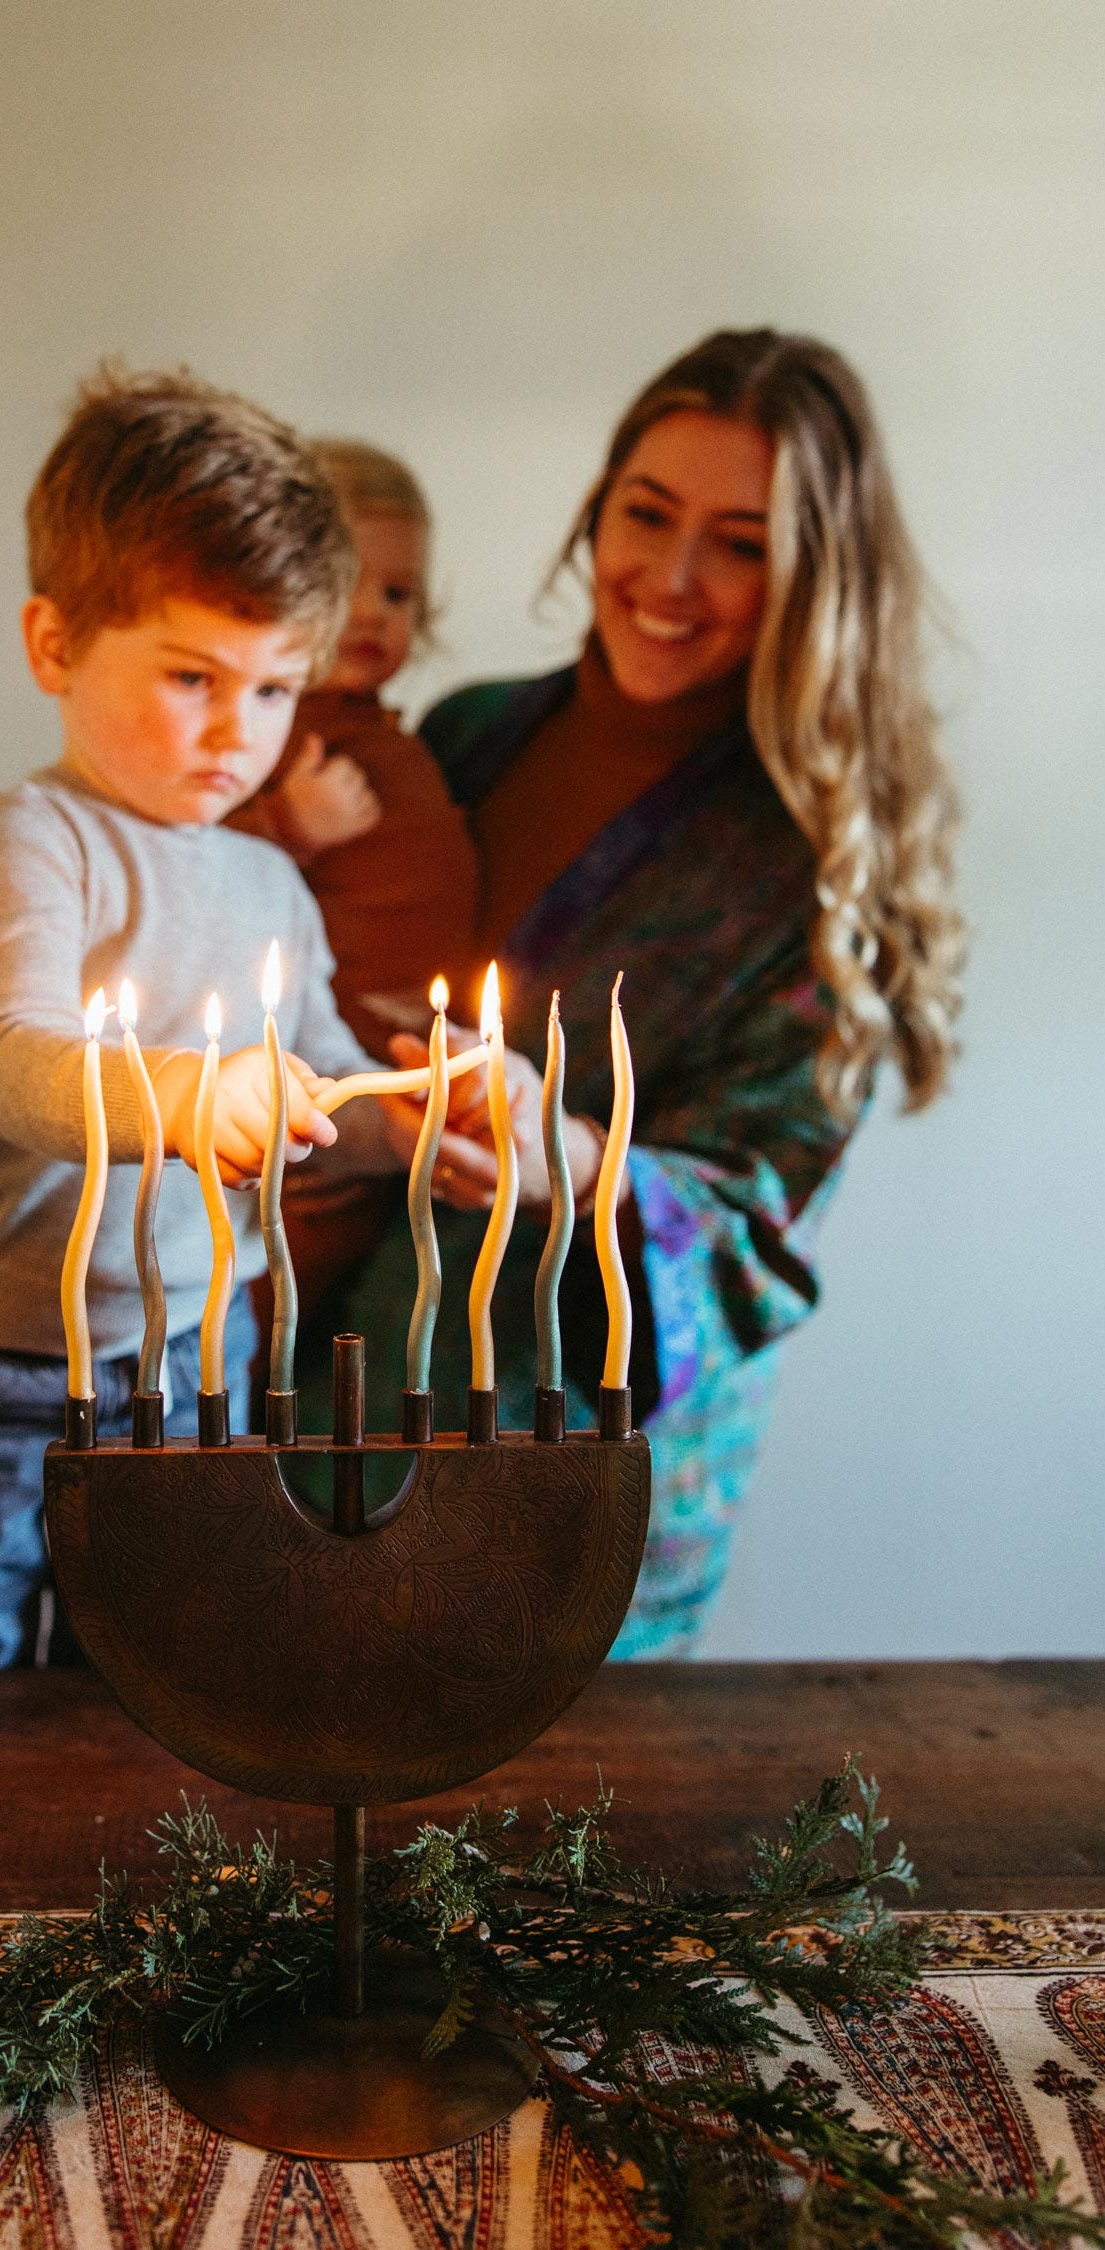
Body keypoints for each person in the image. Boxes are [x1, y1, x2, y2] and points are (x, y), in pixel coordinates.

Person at [319, 328, 965, 1657]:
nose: (670, 579)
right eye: (646, 514)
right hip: (351, 1386)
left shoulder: (819, 853)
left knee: (556, 1849)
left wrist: (565, 1154)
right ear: (597, 509)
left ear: (815, 571)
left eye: (741, 541)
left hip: (585, 1473)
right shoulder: (467, 736)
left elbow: (758, 1225)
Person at [0, 366, 403, 1671]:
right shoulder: (32, 836)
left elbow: (317, 1076)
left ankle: (108, 1878)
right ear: (54, 644)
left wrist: (420, 1121)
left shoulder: (272, 882)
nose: (240, 730)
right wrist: (175, 1096)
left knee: (158, 1666)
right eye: (192, 675)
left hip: (191, 1355)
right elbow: (11, 1057)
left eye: (277, 689)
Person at [229, 441, 480, 1324]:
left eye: (399, 594)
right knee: (279, 1293)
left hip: (397, 1083)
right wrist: (285, 828)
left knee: (363, 1305)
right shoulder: (271, 732)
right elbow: (198, 872)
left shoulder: (385, 730)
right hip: (322, 1093)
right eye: (346, 588)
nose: (372, 615)